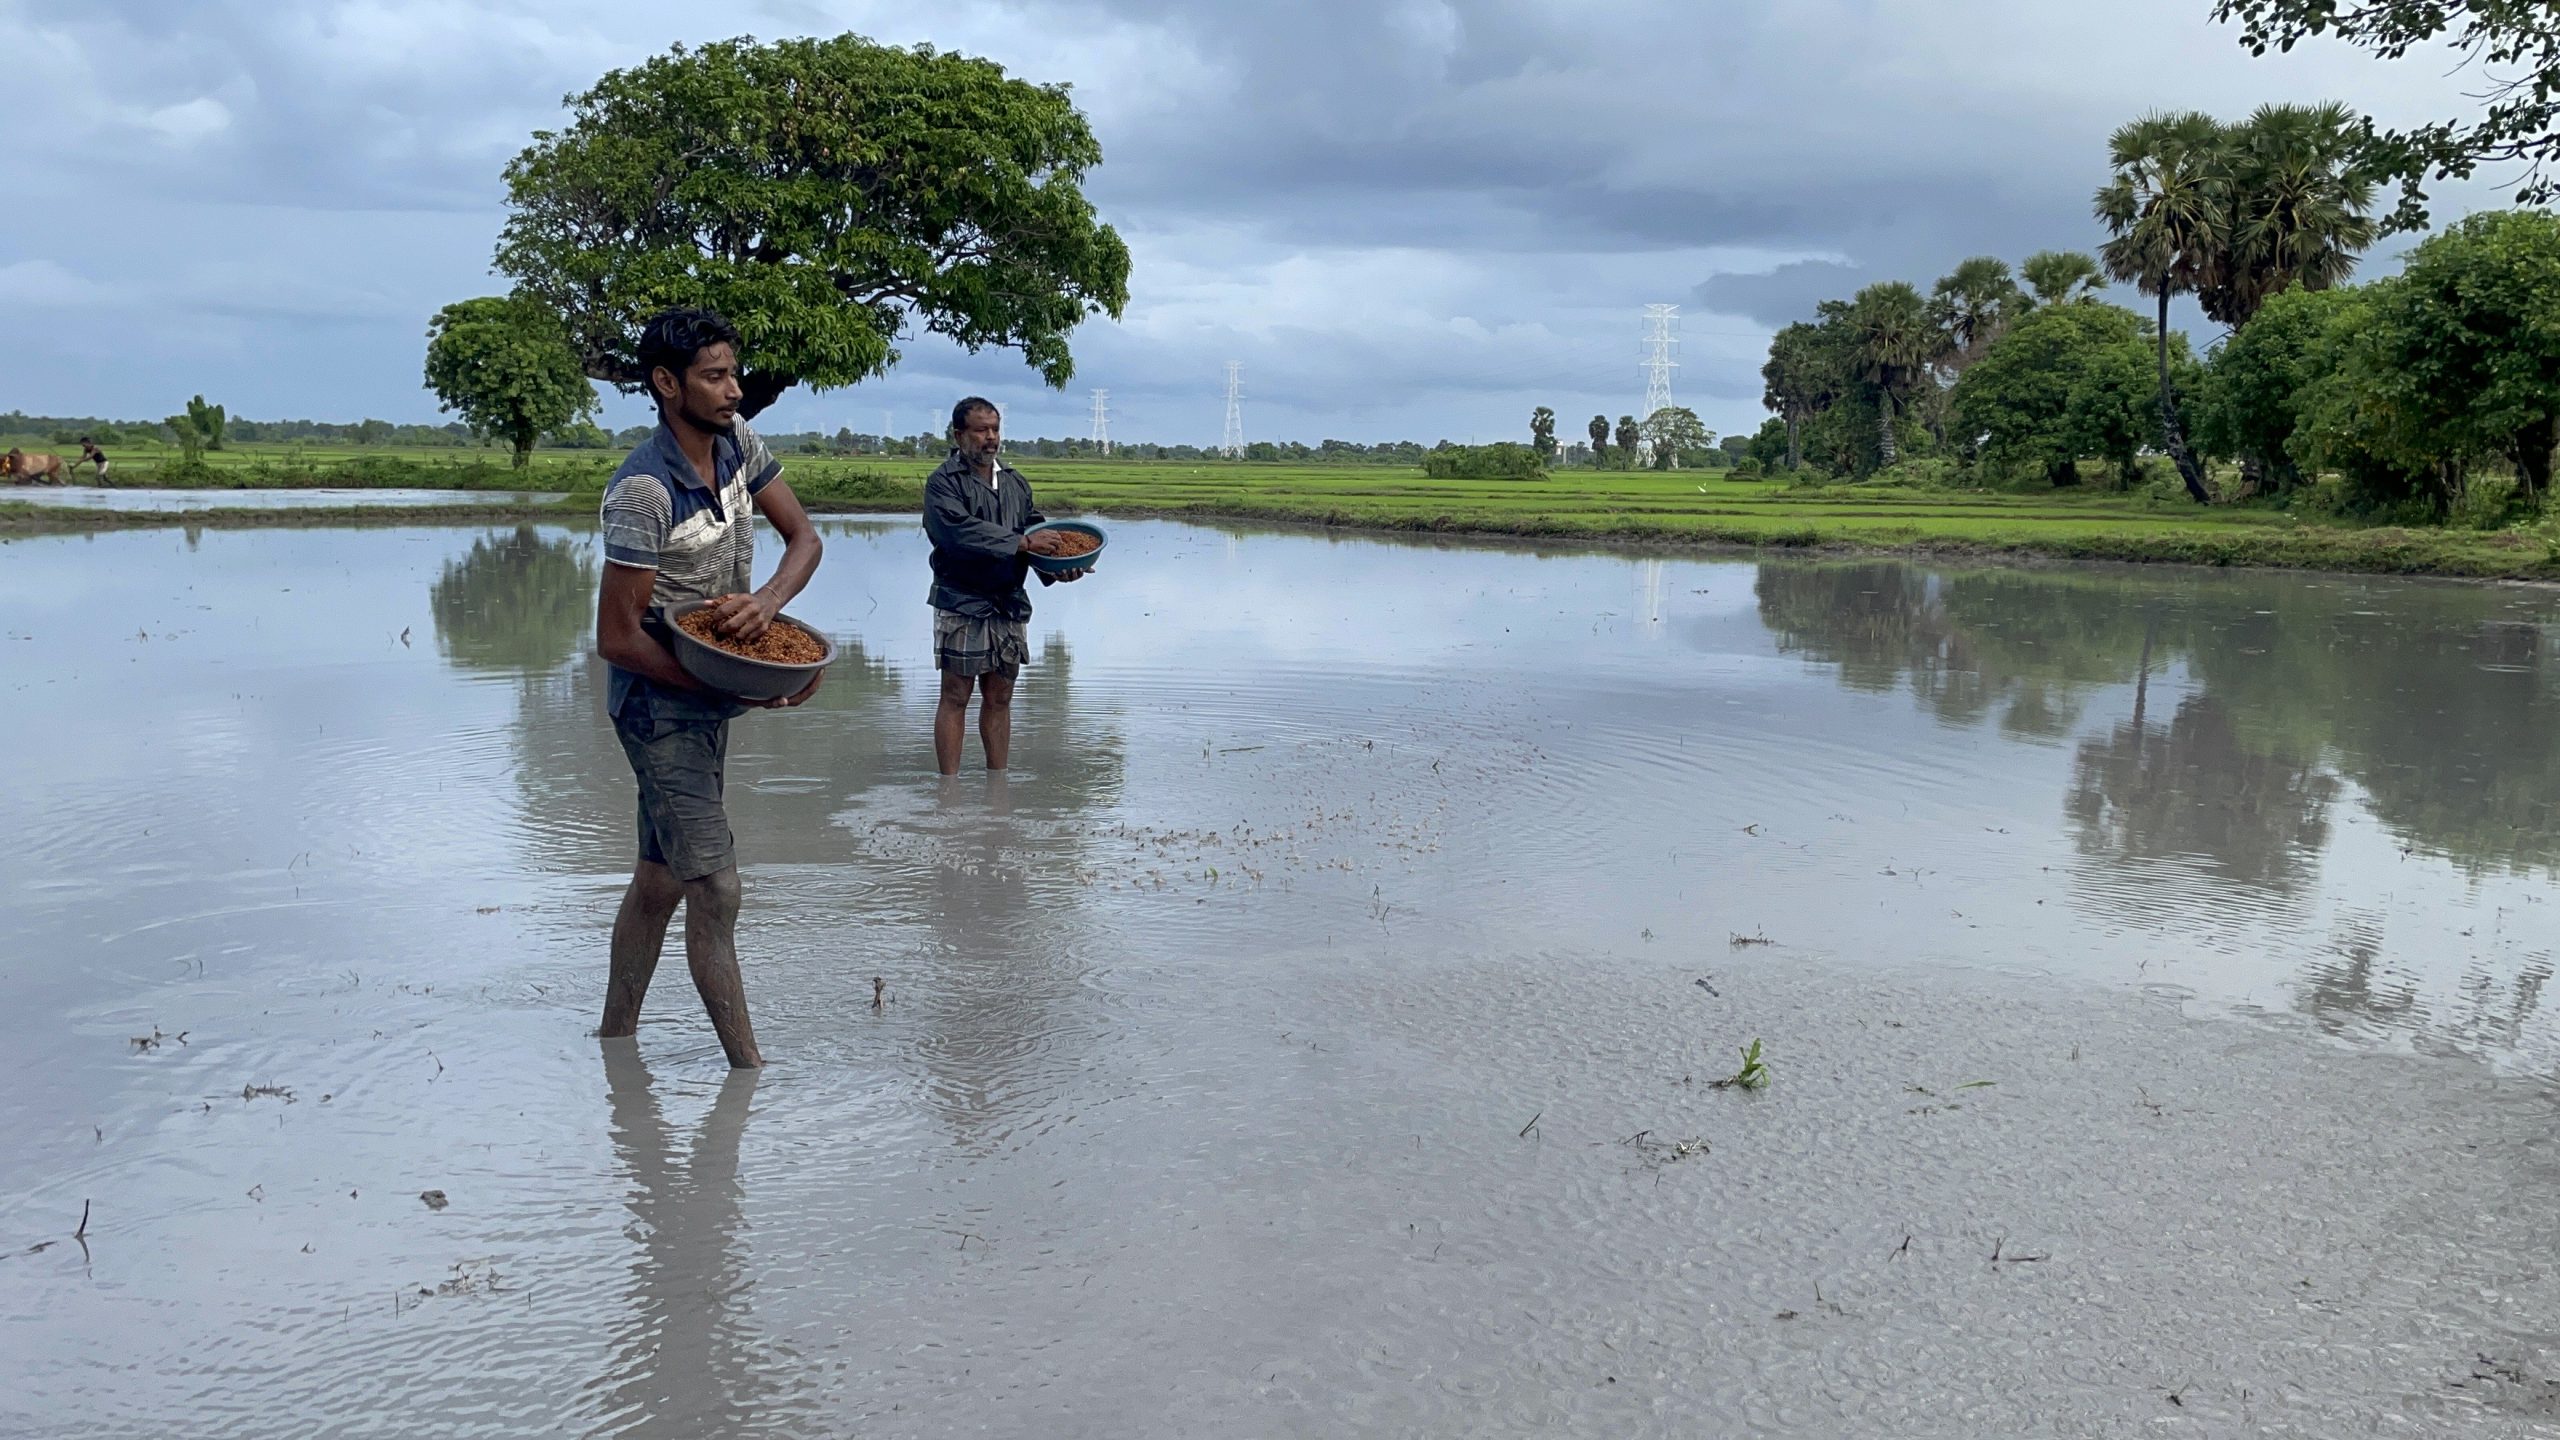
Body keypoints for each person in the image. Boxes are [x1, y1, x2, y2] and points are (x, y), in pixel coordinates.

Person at [593, 307, 824, 1069]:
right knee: (716, 889)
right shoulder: (643, 493)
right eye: (714, 376)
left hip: (709, 691)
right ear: (666, 385)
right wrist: (736, 688)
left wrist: (766, 606)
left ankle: (613, 1045)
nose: (733, 390)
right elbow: (618, 637)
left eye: (734, 373)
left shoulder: (738, 446)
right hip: (659, 706)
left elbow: (805, 537)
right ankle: (749, 1078)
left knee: (662, 878)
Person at [923, 397, 1082, 774]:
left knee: (1000, 697)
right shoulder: (943, 483)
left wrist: (1059, 566)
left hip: (1008, 602)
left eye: (995, 429)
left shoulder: (1014, 482)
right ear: (959, 434)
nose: (990, 438)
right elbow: (956, 533)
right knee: (956, 695)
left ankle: (998, 784)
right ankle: (949, 788)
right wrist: (1021, 543)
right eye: (981, 430)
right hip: (961, 602)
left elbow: (1036, 530)